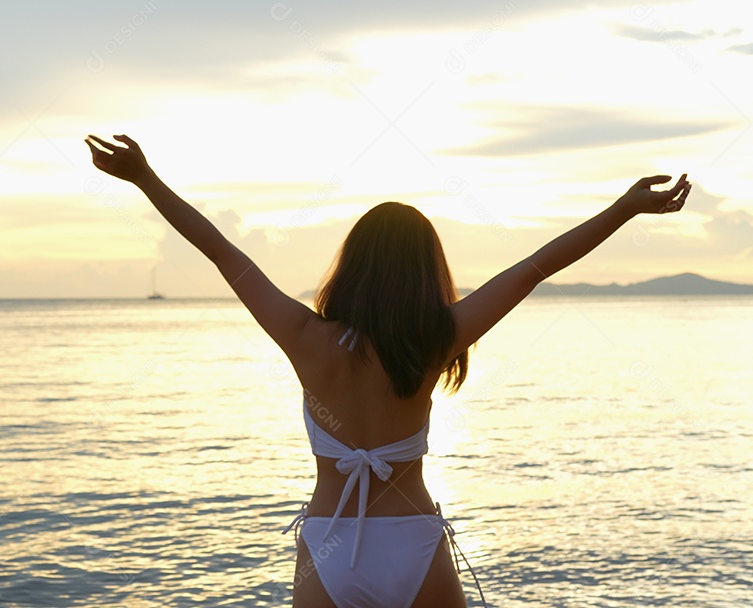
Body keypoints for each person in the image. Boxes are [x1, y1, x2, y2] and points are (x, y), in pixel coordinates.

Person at [85, 133, 690, 608]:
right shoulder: (434, 340)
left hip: (328, 543)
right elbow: (534, 267)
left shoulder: (304, 337)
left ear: (353, 265)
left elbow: (222, 252)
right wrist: (624, 210)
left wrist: (145, 180)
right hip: (412, 540)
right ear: (426, 271)